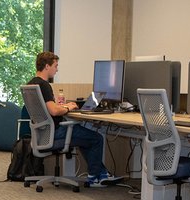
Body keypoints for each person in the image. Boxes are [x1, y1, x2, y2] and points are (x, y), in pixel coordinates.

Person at [26, 52, 123, 187]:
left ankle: (101, 173)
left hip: (43, 133)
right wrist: (67, 108)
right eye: (55, 66)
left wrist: (64, 106)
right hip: (56, 132)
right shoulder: (44, 85)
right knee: (96, 138)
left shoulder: (31, 84)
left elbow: (47, 108)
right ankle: (95, 177)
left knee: (85, 137)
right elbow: (53, 111)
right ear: (47, 66)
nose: (57, 69)